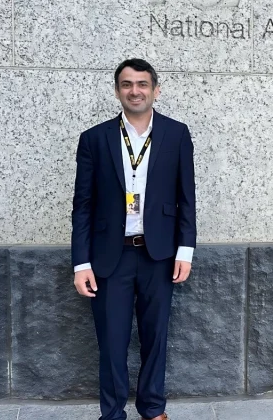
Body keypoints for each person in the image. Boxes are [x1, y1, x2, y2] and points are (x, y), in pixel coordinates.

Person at [71, 58, 196, 420]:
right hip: (110, 257)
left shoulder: (176, 134)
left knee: (156, 337)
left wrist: (185, 250)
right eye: (127, 84)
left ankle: (153, 409)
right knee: (112, 342)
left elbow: (186, 197)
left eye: (142, 84)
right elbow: (83, 205)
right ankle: (112, 414)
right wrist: (81, 263)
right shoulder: (95, 139)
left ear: (156, 90)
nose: (135, 91)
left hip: (160, 255)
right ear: (117, 91)